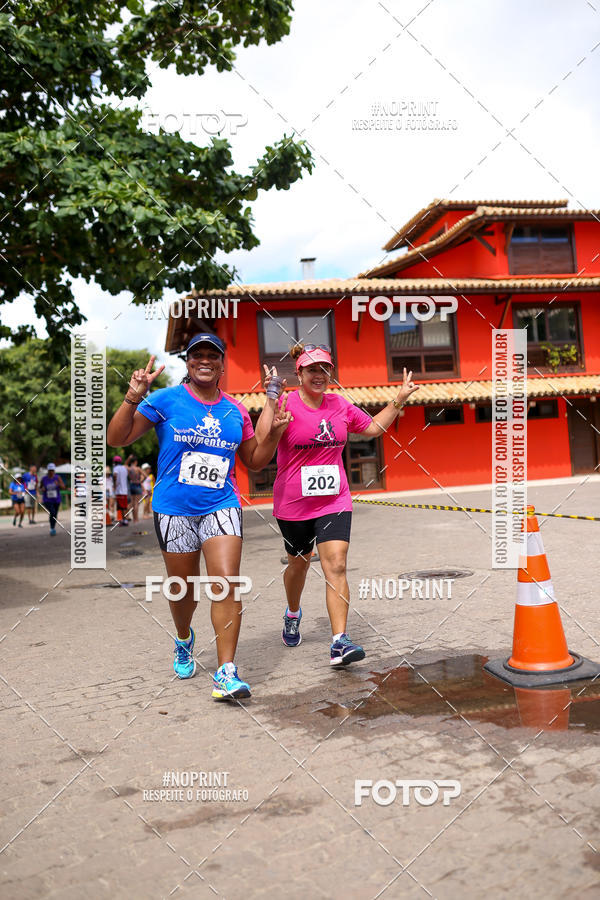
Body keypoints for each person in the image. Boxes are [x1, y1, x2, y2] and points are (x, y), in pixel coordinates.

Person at [107, 335, 290, 700]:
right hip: (173, 509)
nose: (204, 361)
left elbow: (254, 460)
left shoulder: (235, 411)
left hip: (221, 505)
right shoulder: (165, 400)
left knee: (225, 581)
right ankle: (183, 636)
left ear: (222, 365)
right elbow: (117, 438)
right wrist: (133, 395)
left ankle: (226, 672)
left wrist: (274, 435)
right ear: (188, 363)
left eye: (212, 356)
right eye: (197, 355)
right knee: (183, 590)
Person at [258, 346, 419, 666]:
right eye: (311, 370)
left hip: (335, 500)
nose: (318, 376)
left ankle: (339, 642)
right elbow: (262, 438)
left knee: (337, 564)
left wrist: (399, 399)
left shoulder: (340, 405)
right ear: (299, 374)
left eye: (324, 370)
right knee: (298, 566)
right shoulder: (287, 402)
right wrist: (272, 397)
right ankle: (293, 612)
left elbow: (372, 428)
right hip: (294, 504)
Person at [40, 463, 65, 536]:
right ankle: (51, 528)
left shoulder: (57, 477)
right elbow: (40, 487)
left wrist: (59, 484)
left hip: (56, 499)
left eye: (52, 470)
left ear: (54, 470)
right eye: (50, 470)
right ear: (48, 470)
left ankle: (53, 527)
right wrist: (42, 488)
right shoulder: (44, 478)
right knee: (52, 512)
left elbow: (63, 487)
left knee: (55, 514)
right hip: (47, 499)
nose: (51, 471)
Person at [112, 455, 130, 526]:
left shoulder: (115, 468)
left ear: (115, 462)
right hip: (125, 490)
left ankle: (124, 520)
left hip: (119, 490)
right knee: (124, 506)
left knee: (121, 506)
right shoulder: (124, 468)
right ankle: (124, 519)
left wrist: (114, 484)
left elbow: (115, 475)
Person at [126, 455, 144, 523]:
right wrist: (141, 480)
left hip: (131, 484)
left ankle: (134, 519)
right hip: (137, 485)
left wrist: (128, 459)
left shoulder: (129, 468)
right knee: (136, 503)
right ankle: (136, 519)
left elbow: (125, 465)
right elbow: (145, 475)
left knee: (132, 503)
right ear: (135, 461)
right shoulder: (138, 469)